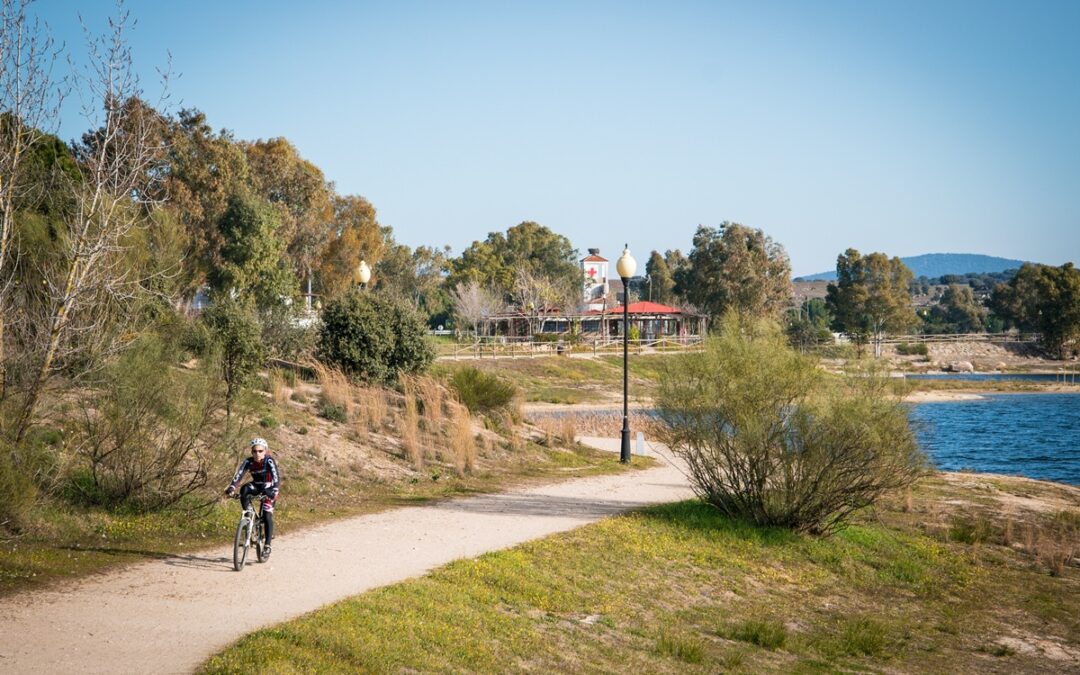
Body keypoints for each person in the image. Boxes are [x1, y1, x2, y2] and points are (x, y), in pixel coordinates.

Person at [225, 437, 281, 557]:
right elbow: (239, 474)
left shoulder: (269, 461)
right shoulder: (248, 462)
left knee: (267, 514)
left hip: (269, 488)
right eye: (254, 451)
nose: (257, 454)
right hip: (256, 486)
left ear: (265, 451)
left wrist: (275, 491)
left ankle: (267, 545)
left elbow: (276, 477)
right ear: (252, 452)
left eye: (260, 451)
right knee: (245, 489)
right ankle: (248, 516)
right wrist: (232, 488)